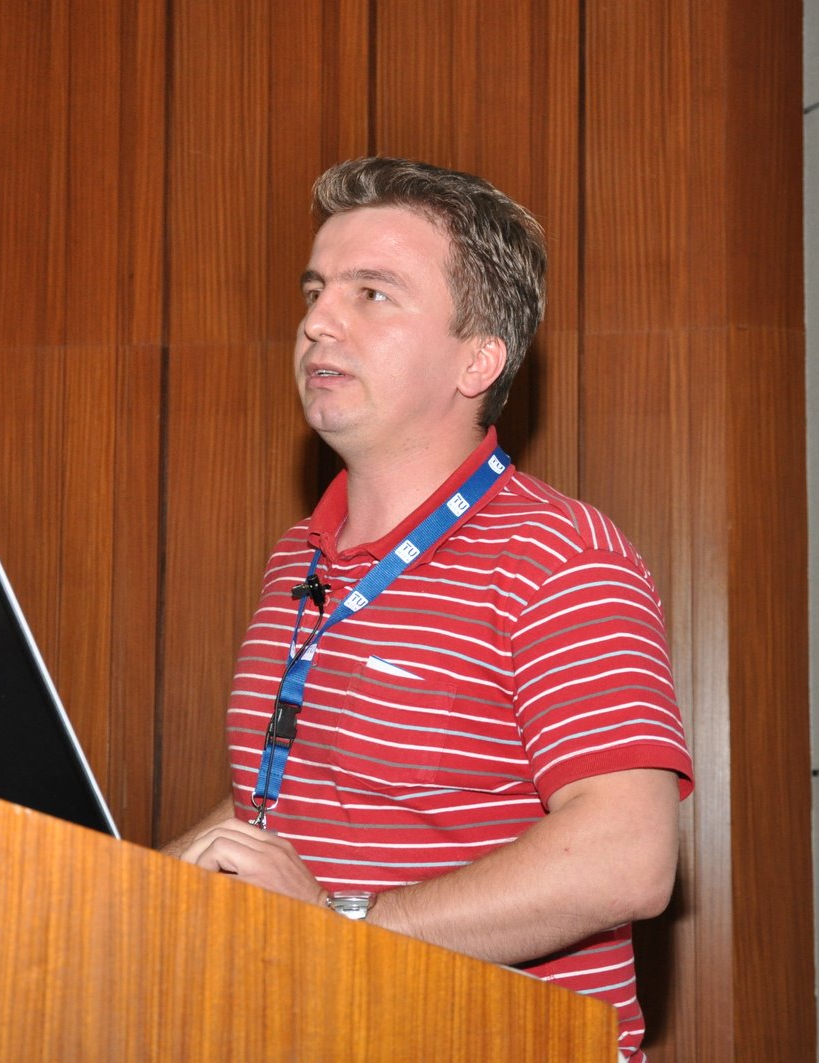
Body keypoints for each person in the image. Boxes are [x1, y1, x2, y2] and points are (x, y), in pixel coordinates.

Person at [163, 157, 693, 1061]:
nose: (317, 321)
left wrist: (340, 928)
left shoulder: (558, 554)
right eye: (317, 290)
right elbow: (291, 795)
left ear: (477, 358)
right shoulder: (298, 557)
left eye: (372, 294)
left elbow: (626, 857)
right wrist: (136, 887)